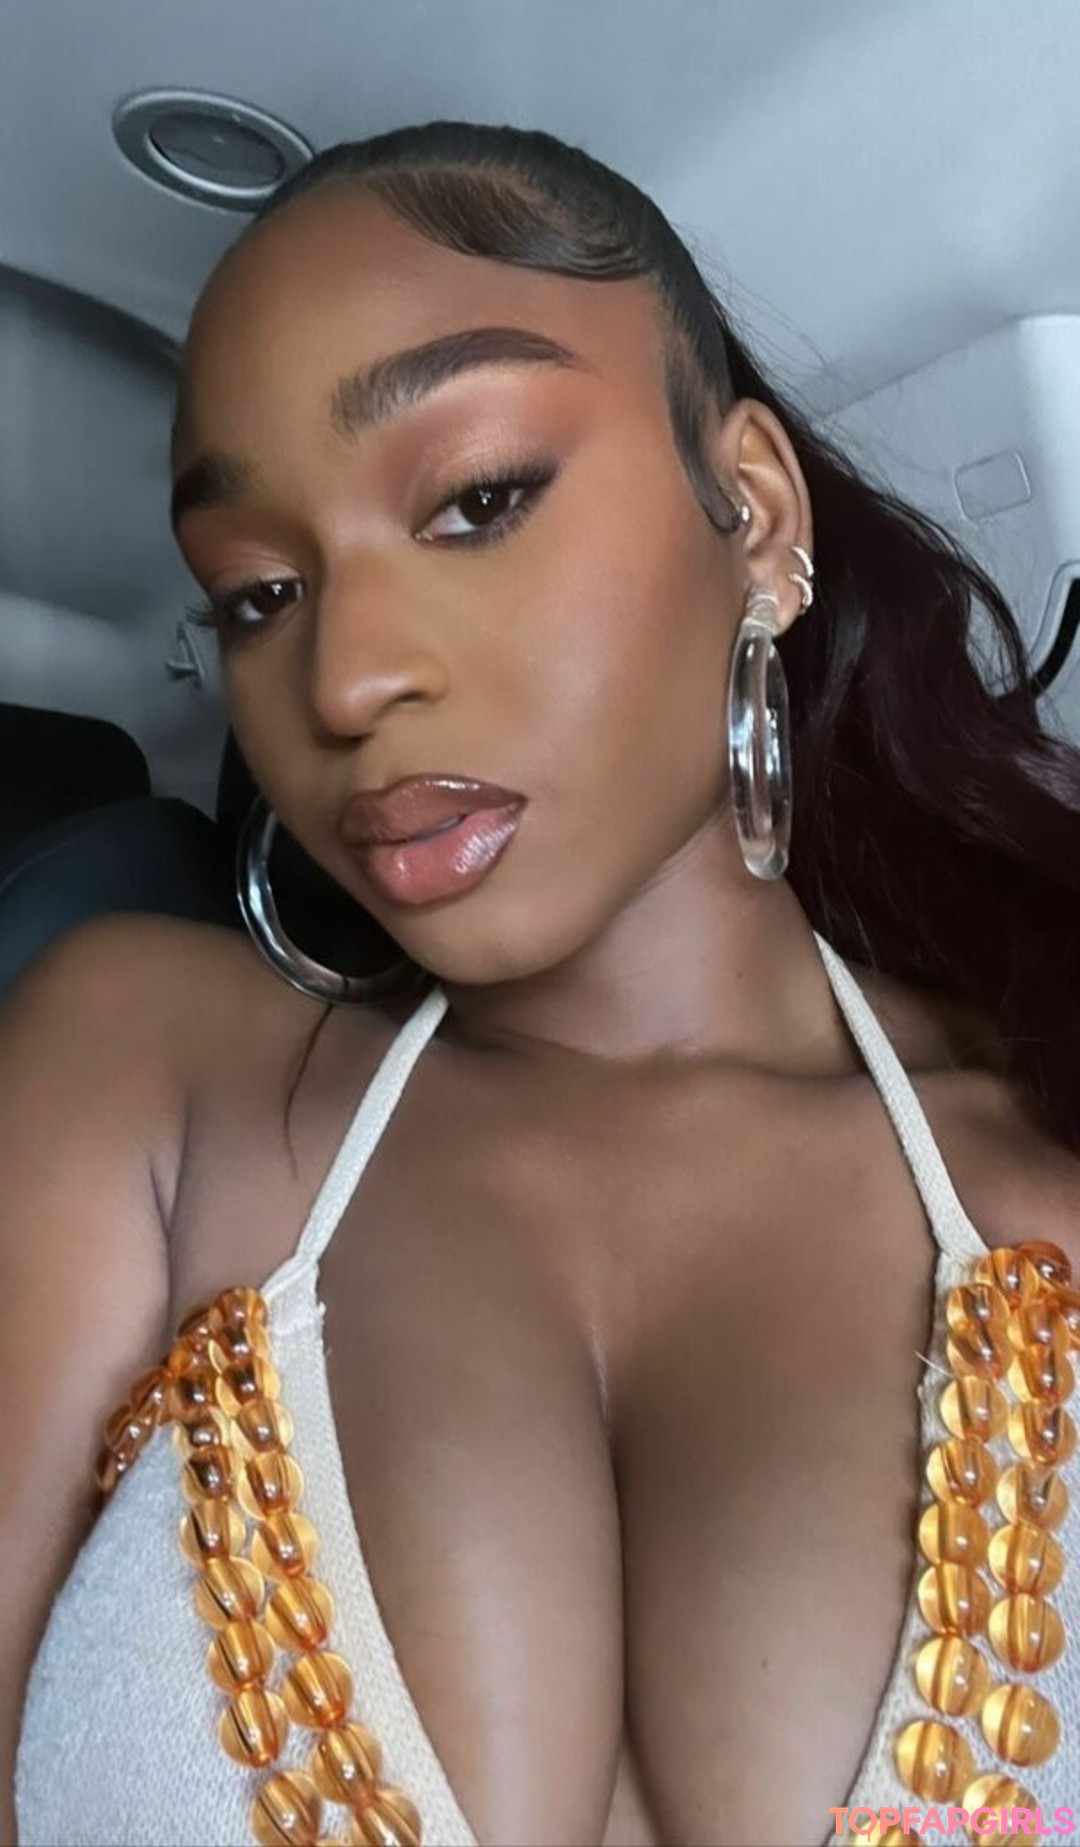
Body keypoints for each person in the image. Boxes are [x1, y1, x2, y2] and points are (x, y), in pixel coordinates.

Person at [5, 120, 1080, 1847]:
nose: (345, 681)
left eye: (478, 501)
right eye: (262, 594)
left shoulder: (1042, 1153)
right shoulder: (149, 1082)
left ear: (754, 516)